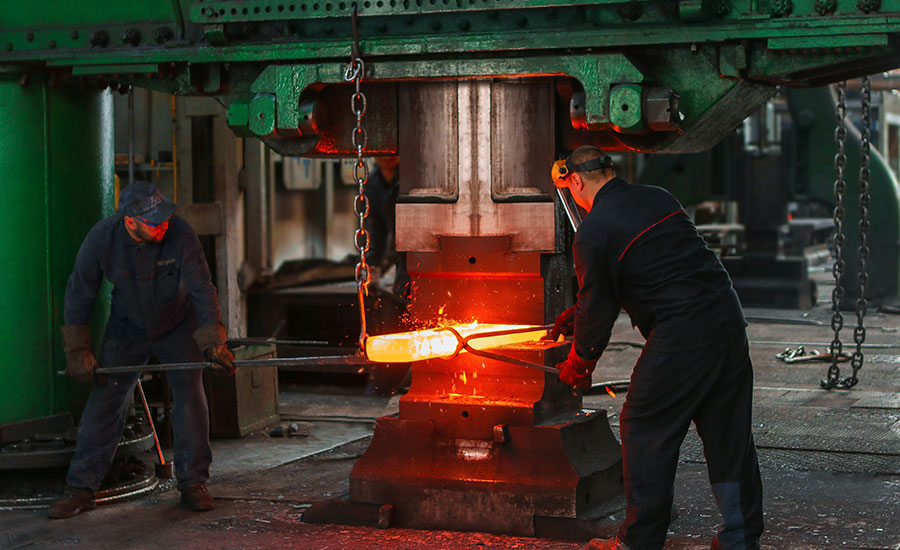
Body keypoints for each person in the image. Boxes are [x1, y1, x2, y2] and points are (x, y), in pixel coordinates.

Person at [549, 146, 763, 550]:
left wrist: (579, 362)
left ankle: (639, 542)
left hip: (683, 333)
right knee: (729, 436)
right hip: (726, 319)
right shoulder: (657, 196)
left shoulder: (592, 230)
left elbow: (599, 308)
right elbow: (659, 266)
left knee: (643, 426)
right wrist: (578, 313)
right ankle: (740, 539)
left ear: (575, 181)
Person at [50, 181, 235, 519]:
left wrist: (213, 342)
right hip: (128, 329)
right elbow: (79, 292)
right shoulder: (102, 238)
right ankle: (80, 489)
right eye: (153, 222)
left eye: (164, 217)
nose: (163, 224)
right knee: (106, 399)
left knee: (190, 397)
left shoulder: (180, 233)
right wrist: (77, 350)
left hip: (179, 326)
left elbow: (202, 287)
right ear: (129, 222)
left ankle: (193, 483)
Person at [364, 155, 410, 300]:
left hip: (415, 245)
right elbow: (378, 228)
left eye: (392, 152)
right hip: (399, 248)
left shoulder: (411, 178)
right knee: (402, 293)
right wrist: (373, 264)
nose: (387, 157)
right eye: (382, 153)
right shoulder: (372, 183)